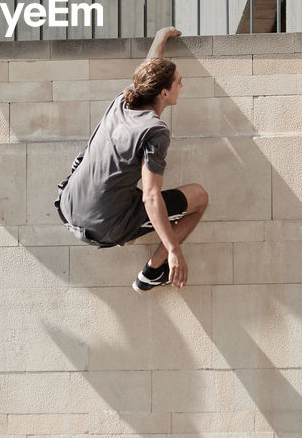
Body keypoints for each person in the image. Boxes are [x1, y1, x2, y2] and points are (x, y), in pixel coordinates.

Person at [55, 26, 210, 291]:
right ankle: (152, 271)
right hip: (101, 225)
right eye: (178, 82)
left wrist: (160, 37)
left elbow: (147, 69)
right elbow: (151, 196)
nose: (182, 85)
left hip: (67, 204)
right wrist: (174, 250)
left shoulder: (124, 100)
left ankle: (124, 230)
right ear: (163, 93)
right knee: (199, 197)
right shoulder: (155, 130)